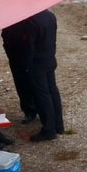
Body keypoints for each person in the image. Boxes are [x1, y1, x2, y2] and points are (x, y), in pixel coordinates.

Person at [28, 9, 64, 142]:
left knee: (42, 94)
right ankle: (58, 125)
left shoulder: (31, 21)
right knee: (52, 90)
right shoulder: (49, 15)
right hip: (49, 58)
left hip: (37, 62)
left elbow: (28, 45)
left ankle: (49, 129)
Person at [1, 17, 37, 123]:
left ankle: (35, 108)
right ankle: (29, 110)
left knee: (30, 80)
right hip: (14, 48)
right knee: (21, 81)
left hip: (25, 46)